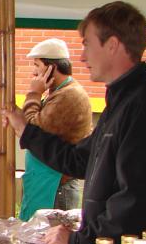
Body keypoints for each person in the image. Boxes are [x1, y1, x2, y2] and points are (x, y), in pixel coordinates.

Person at [4, 1, 146, 244]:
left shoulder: (145, 107)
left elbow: (135, 202)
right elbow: (79, 159)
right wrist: (25, 129)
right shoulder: (121, 104)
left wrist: (79, 241)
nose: (81, 56)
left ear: (112, 45)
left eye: (87, 44)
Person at [17, 38, 92, 220]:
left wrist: (34, 93)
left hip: (57, 187)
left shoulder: (68, 95)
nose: (34, 73)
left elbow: (32, 130)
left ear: (51, 67)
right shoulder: (59, 92)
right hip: (47, 182)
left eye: (37, 65)